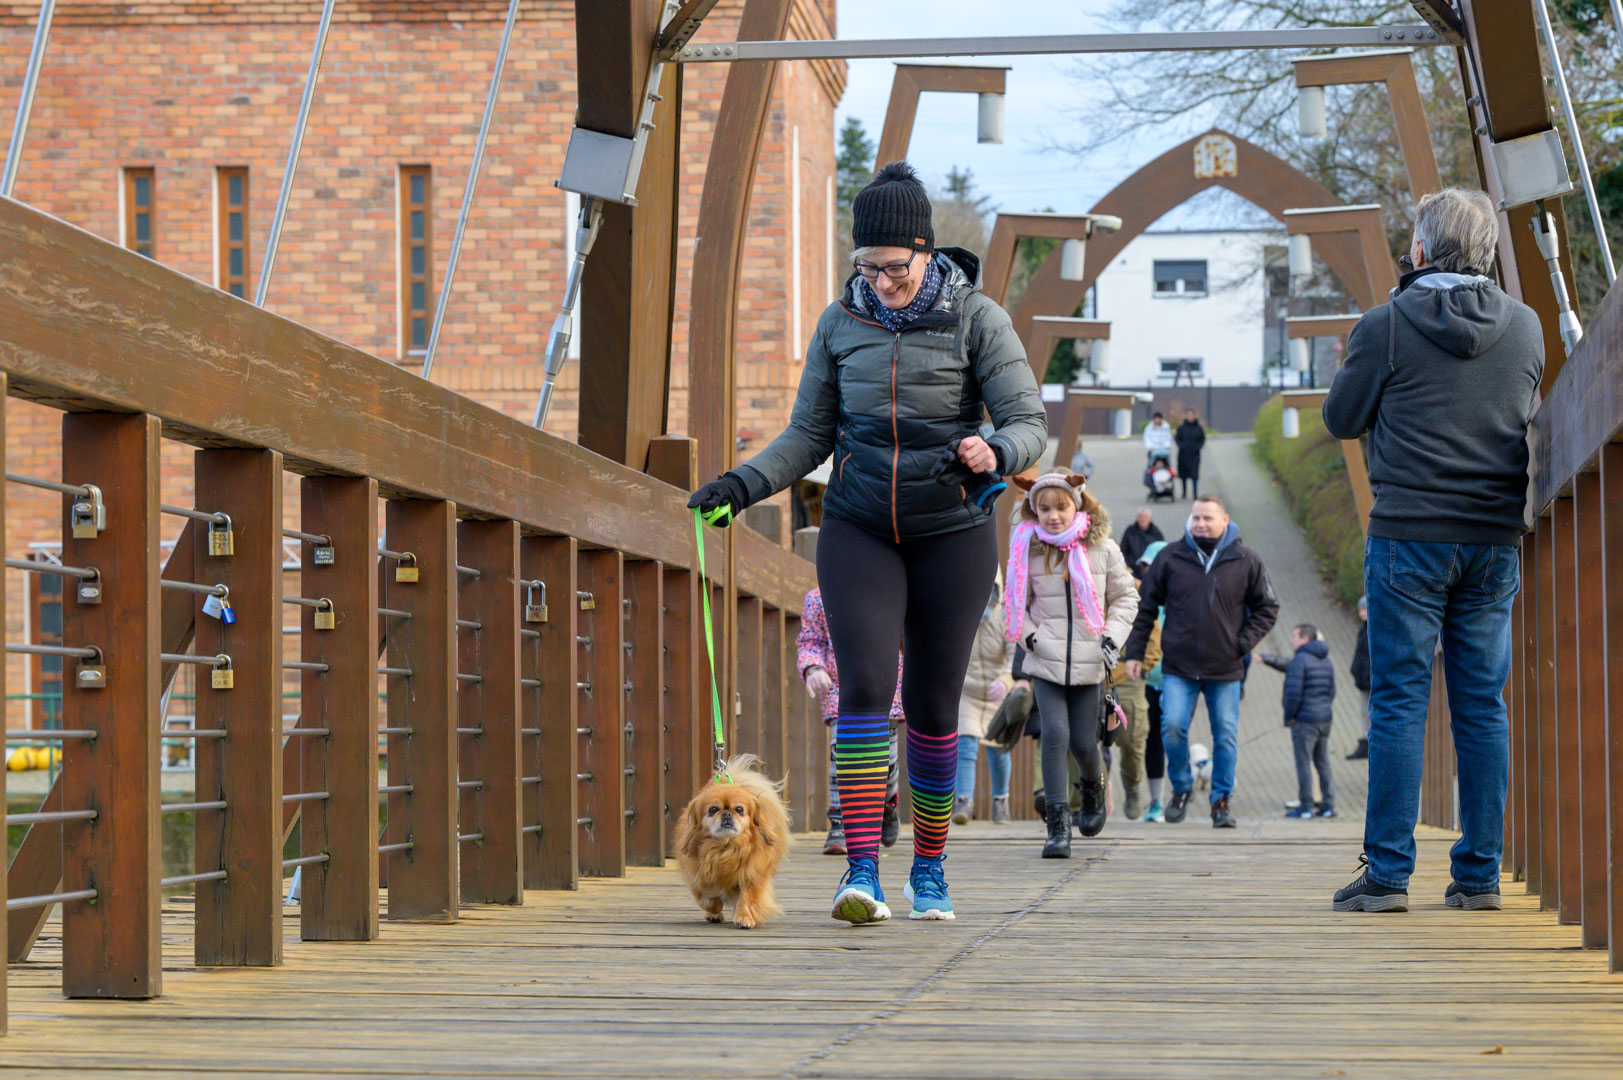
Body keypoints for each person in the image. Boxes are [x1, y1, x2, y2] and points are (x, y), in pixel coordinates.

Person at [689, 160, 1046, 924]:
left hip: (951, 529)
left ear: (925, 252)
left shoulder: (977, 318)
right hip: (858, 527)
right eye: (867, 268)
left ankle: (929, 869)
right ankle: (859, 873)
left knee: (931, 702)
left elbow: (1027, 421)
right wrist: (741, 485)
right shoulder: (837, 324)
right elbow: (808, 433)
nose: (881, 283)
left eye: (894, 269)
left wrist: (995, 450)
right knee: (862, 689)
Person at [1323, 187, 1542, 913]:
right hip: (1492, 539)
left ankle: (1388, 874)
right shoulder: (1525, 326)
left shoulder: (1385, 325)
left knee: (1399, 703)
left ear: (1418, 249)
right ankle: (1478, 876)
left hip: (1409, 538)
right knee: (1482, 706)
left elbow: (1342, 418)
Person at [1123, 494, 1278, 829]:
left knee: (1225, 735)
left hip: (1225, 668)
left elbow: (1268, 608)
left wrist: (1242, 643)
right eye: (1196, 518)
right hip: (1178, 667)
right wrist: (1134, 653)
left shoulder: (1247, 560)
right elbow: (1144, 608)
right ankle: (1181, 788)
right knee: (1172, 728)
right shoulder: (1170, 557)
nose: (1201, 523)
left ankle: (1221, 801)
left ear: (1225, 520)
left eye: (1208, 518)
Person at [1004, 471, 1138, 858]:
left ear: (1076, 504)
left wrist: (1111, 638)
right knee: (1054, 736)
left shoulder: (1103, 548)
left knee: (1083, 742)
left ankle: (1093, 789)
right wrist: (1031, 638)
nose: (1053, 516)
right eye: (1043, 509)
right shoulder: (1026, 549)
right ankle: (1058, 827)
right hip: (1045, 661)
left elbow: (1126, 598)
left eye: (1060, 507)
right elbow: (1014, 603)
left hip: (1090, 661)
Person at [797, 586, 902, 855]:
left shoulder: (891, 587)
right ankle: (839, 822)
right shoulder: (818, 598)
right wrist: (812, 667)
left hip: (886, 686)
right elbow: (811, 641)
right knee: (841, 754)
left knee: (886, 758)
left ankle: (887, 803)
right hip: (839, 688)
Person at [1260, 623, 1337, 819]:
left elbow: (1293, 694)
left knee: (1303, 763)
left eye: (1294, 636)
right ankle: (1328, 806)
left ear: (1305, 639)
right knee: (1323, 762)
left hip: (1304, 721)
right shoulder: (1326, 660)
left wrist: (1290, 716)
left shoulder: (1299, 661)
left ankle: (1306, 806)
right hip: (1324, 719)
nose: (1290, 640)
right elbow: (1332, 691)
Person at [954, 579, 1015, 825]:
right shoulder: (961, 613)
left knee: (998, 748)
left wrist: (1006, 680)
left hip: (996, 691)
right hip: (968, 690)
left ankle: (1001, 801)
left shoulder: (1005, 615)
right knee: (965, 744)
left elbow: (1014, 654)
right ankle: (963, 802)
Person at [1113, 544, 1164, 820]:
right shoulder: (1084, 584)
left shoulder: (1137, 589)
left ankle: (1132, 787)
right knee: (1085, 742)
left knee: (1133, 740)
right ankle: (1091, 797)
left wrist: (1144, 668)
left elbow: (1153, 632)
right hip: (1091, 676)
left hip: (1129, 677)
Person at [1135, 540, 1170, 822]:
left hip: (1177, 681)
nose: (1149, 572)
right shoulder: (1138, 598)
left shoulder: (1181, 598)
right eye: (1145, 567)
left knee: (1175, 737)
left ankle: (1180, 791)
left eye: (1154, 566)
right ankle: (1156, 801)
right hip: (1144, 682)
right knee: (1151, 740)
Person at [1347, 595, 1371, 760]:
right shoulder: (1363, 630)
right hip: (1363, 679)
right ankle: (1364, 741)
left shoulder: (1374, 631)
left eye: (1365, 609)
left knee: (1369, 712)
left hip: (1370, 680)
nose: (1362, 613)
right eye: (1361, 610)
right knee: (1364, 712)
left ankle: (1368, 743)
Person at [1174, 409, 1206, 500]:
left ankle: (1195, 492)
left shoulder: (1199, 428)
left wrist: (1198, 447)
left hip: (1194, 455)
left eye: (1192, 415)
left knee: (1194, 474)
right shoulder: (1181, 428)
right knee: (1183, 474)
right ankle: (1184, 492)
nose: (1190, 417)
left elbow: (1202, 439)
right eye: (1188, 415)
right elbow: (1177, 438)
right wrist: (1182, 446)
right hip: (1183, 455)